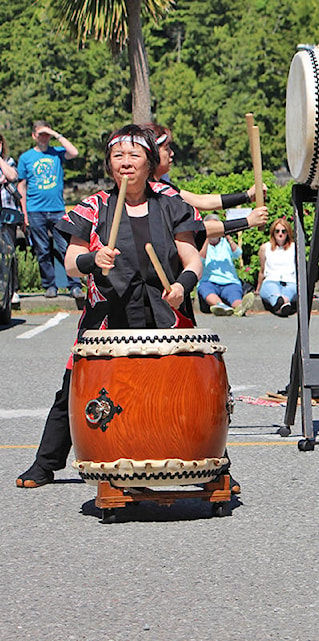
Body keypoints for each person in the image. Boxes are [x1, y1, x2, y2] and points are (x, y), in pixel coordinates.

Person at [16, 124, 205, 488]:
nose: (126, 163)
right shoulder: (93, 207)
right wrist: (94, 258)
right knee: (76, 386)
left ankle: (209, 463)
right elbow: (71, 261)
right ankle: (45, 463)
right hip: (107, 314)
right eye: (118, 156)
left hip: (164, 310)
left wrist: (183, 285)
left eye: (135, 155)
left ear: (150, 162)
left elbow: (191, 257)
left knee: (183, 388)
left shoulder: (171, 204)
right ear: (109, 165)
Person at [143, 123, 268, 239]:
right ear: (153, 152)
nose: (172, 153)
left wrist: (246, 196)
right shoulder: (150, 193)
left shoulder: (162, 187)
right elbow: (197, 229)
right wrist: (248, 221)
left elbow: (200, 201)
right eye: (166, 149)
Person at [17, 120, 84, 303]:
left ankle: (75, 285)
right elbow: (21, 186)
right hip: (35, 209)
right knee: (42, 250)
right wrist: (24, 212)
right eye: (41, 134)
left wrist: (55, 134)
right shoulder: (26, 158)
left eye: (46, 135)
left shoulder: (56, 153)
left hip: (57, 209)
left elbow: (74, 152)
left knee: (65, 247)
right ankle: (50, 285)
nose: (44, 138)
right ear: (34, 136)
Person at [198, 214, 256, 316]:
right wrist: (207, 237)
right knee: (206, 290)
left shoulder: (225, 243)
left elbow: (238, 253)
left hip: (229, 281)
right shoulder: (202, 244)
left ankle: (240, 307)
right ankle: (221, 306)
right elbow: (200, 259)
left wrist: (228, 236)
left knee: (234, 295)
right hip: (209, 281)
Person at [257, 217, 297, 317]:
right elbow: (262, 270)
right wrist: (258, 288)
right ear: (273, 233)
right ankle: (282, 304)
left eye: (283, 231)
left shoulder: (295, 247)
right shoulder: (265, 247)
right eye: (277, 231)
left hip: (290, 281)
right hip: (271, 280)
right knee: (272, 292)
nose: (280, 234)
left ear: (288, 233)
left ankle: (280, 305)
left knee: (290, 291)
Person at [0, 134, 21, 309]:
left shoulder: (8, 161)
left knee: (9, 252)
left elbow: (12, 175)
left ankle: (12, 290)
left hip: (6, 214)